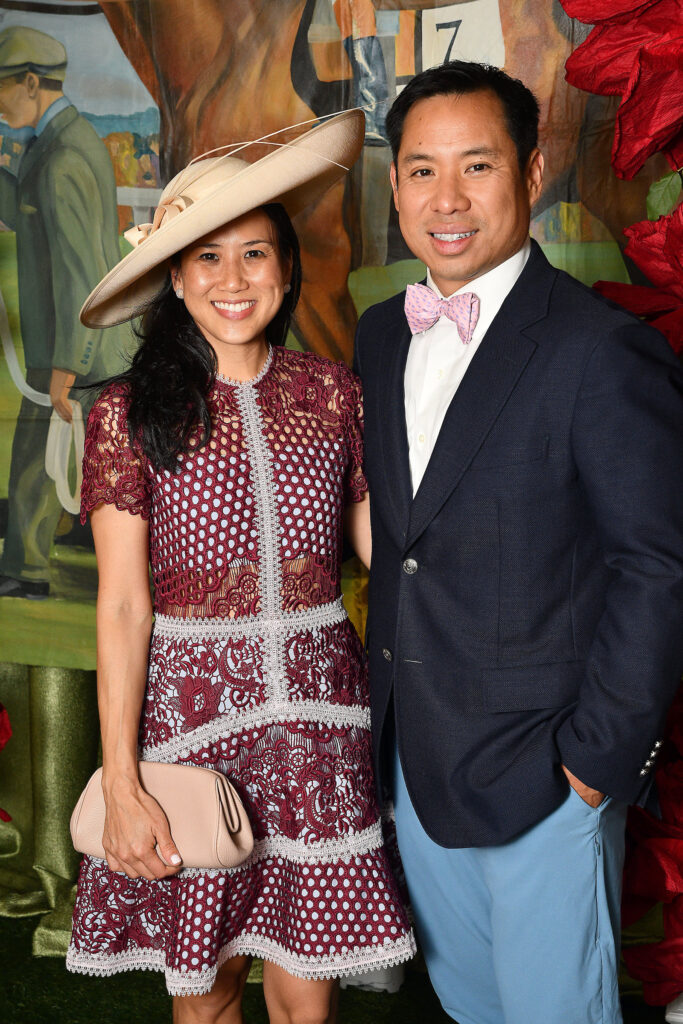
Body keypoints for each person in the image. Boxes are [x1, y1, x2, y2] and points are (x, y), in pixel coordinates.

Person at [65, 110, 415, 1023]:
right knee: (207, 990)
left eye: (255, 255)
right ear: (174, 279)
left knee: (307, 994)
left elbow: (384, 550)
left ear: (288, 269)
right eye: (208, 258)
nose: (233, 279)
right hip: (189, 728)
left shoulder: (334, 395)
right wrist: (122, 781)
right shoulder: (128, 413)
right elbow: (122, 607)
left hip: (320, 732)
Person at [353, 60, 683, 1024]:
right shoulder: (379, 335)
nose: (445, 200)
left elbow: (657, 566)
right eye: (420, 170)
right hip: (415, 756)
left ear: (531, 172)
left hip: (546, 769)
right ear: (395, 185)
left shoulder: (599, 349)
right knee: (468, 1005)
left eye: (477, 166)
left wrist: (594, 764)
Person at [0, 25, 132, 600]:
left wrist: (66, 365)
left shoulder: (63, 158)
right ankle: (25, 568)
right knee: (42, 452)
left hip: (81, 348)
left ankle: (31, 571)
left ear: (31, 83)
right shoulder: (60, 144)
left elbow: (82, 272)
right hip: (76, 344)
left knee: (72, 459)